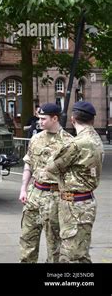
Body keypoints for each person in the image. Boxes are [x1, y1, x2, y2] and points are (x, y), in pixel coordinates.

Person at [39, 101, 104, 263]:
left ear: (73, 119)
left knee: (70, 256)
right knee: (80, 252)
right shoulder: (96, 139)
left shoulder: (76, 144)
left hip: (74, 204)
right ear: (92, 120)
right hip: (85, 201)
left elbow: (51, 167)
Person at [18, 103, 73, 263]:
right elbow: (28, 163)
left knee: (54, 244)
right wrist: (23, 189)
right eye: (39, 118)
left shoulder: (69, 142)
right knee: (27, 240)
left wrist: (68, 202)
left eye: (43, 119)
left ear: (55, 118)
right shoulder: (36, 138)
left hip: (55, 196)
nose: (39, 122)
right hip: (34, 193)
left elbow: (72, 176)